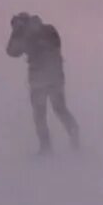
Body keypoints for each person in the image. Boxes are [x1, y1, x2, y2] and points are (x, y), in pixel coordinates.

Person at [6, 12, 80, 155]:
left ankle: (46, 148)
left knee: (40, 115)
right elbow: (13, 52)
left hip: (39, 78)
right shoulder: (49, 29)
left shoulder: (28, 34)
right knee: (58, 109)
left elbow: (12, 52)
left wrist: (17, 34)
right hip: (54, 76)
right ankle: (73, 133)